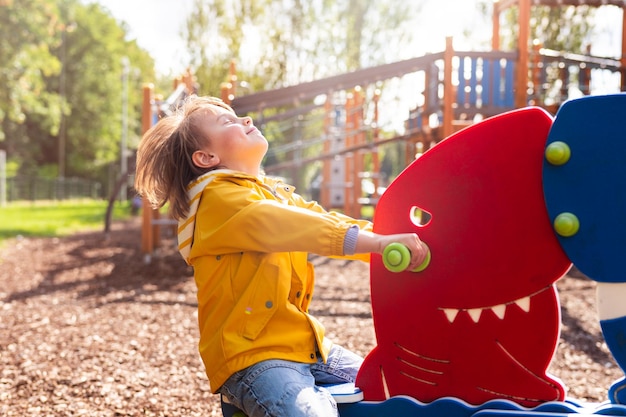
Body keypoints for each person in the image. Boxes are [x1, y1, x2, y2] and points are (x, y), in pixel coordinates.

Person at [134, 95, 428, 417]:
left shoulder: (273, 192)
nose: (245, 121)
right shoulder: (216, 203)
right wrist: (375, 244)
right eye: (227, 122)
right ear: (206, 157)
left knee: (394, 387)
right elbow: (298, 225)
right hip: (254, 356)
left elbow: (326, 218)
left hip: (308, 348)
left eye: (239, 116)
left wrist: (384, 241)